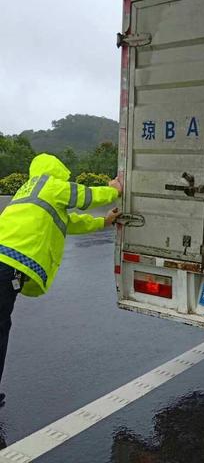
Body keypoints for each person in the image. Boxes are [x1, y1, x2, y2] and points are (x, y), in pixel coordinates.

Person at [0, 153, 122, 405]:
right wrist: (114, 189)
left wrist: (103, 221)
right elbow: (86, 197)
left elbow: (69, 222)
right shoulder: (51, 185)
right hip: (6, 267)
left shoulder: (28, 191)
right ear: (56, 170)